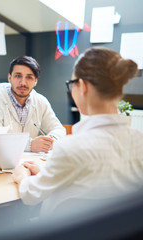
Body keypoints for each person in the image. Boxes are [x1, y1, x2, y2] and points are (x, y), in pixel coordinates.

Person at [12, 47, 143, 217]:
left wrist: (21, 176)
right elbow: (92, 184)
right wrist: (46, 172)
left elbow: (31, 195)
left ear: (83, 86)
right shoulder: (138, 141)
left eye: (71, 84)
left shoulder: (70, 148)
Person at [0, 56, 66, 153]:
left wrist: (49, 141)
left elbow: (58, 129)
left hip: (31, 161)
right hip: (3, 163)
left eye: (29, 77)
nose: (23, 83)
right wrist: (30, 145)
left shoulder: (40, 101)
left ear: (35, 81)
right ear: (9, 78)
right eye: (18, 76)